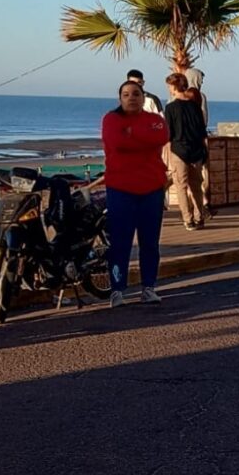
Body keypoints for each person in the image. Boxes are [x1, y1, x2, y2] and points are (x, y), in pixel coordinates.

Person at [101, 80, 170, 307]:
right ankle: (117, 290)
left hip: (151, 188)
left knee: (150, 242)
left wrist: (133, 134)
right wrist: (138, 138)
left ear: (143, 97)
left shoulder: (155, 120)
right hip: (120, 188)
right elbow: (117, 142)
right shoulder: (111, 120)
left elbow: (160, 138)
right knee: (120, 242)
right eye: (126, 94)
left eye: (136, 94)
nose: (132, 98)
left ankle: (148, 287)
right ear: (120, 98)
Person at [164, 72, 208, 231]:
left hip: (179, 150)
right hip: (196, 150)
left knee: (181, 186)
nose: (169, 89)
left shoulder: (170, 108)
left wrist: (168, 155)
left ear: (174, 86)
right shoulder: (195, 107)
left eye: (169, 86)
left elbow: (168, 134)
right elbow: (203, 132)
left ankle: (188, 219)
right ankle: (199, 217)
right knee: (196, 186)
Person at [183, 67, 213, 217]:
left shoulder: (176, 96)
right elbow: (204, 119)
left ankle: (191, 207)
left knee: (186, 177)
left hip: (181, 143)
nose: (201, 81)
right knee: (199, 175)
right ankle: (202, 204)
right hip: (197, 142)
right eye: (200, 78)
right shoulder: (200, 96)